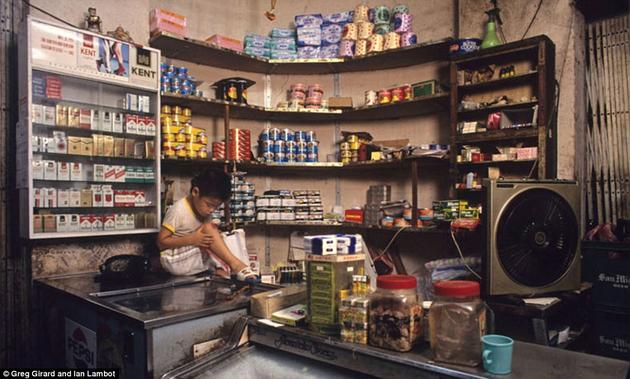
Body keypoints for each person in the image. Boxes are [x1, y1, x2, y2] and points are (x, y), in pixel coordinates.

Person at [157, 168, 258, 283]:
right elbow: (161, 243)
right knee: (210, 229)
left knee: (224, 236)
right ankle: (237, 266)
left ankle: (233, 269)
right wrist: (191, 239)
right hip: (173, 261)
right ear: (195, 192)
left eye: (216, 207)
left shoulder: (203, 210)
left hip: (189, 258)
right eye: (209, 205)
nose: (211, 210)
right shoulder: (178, 210)